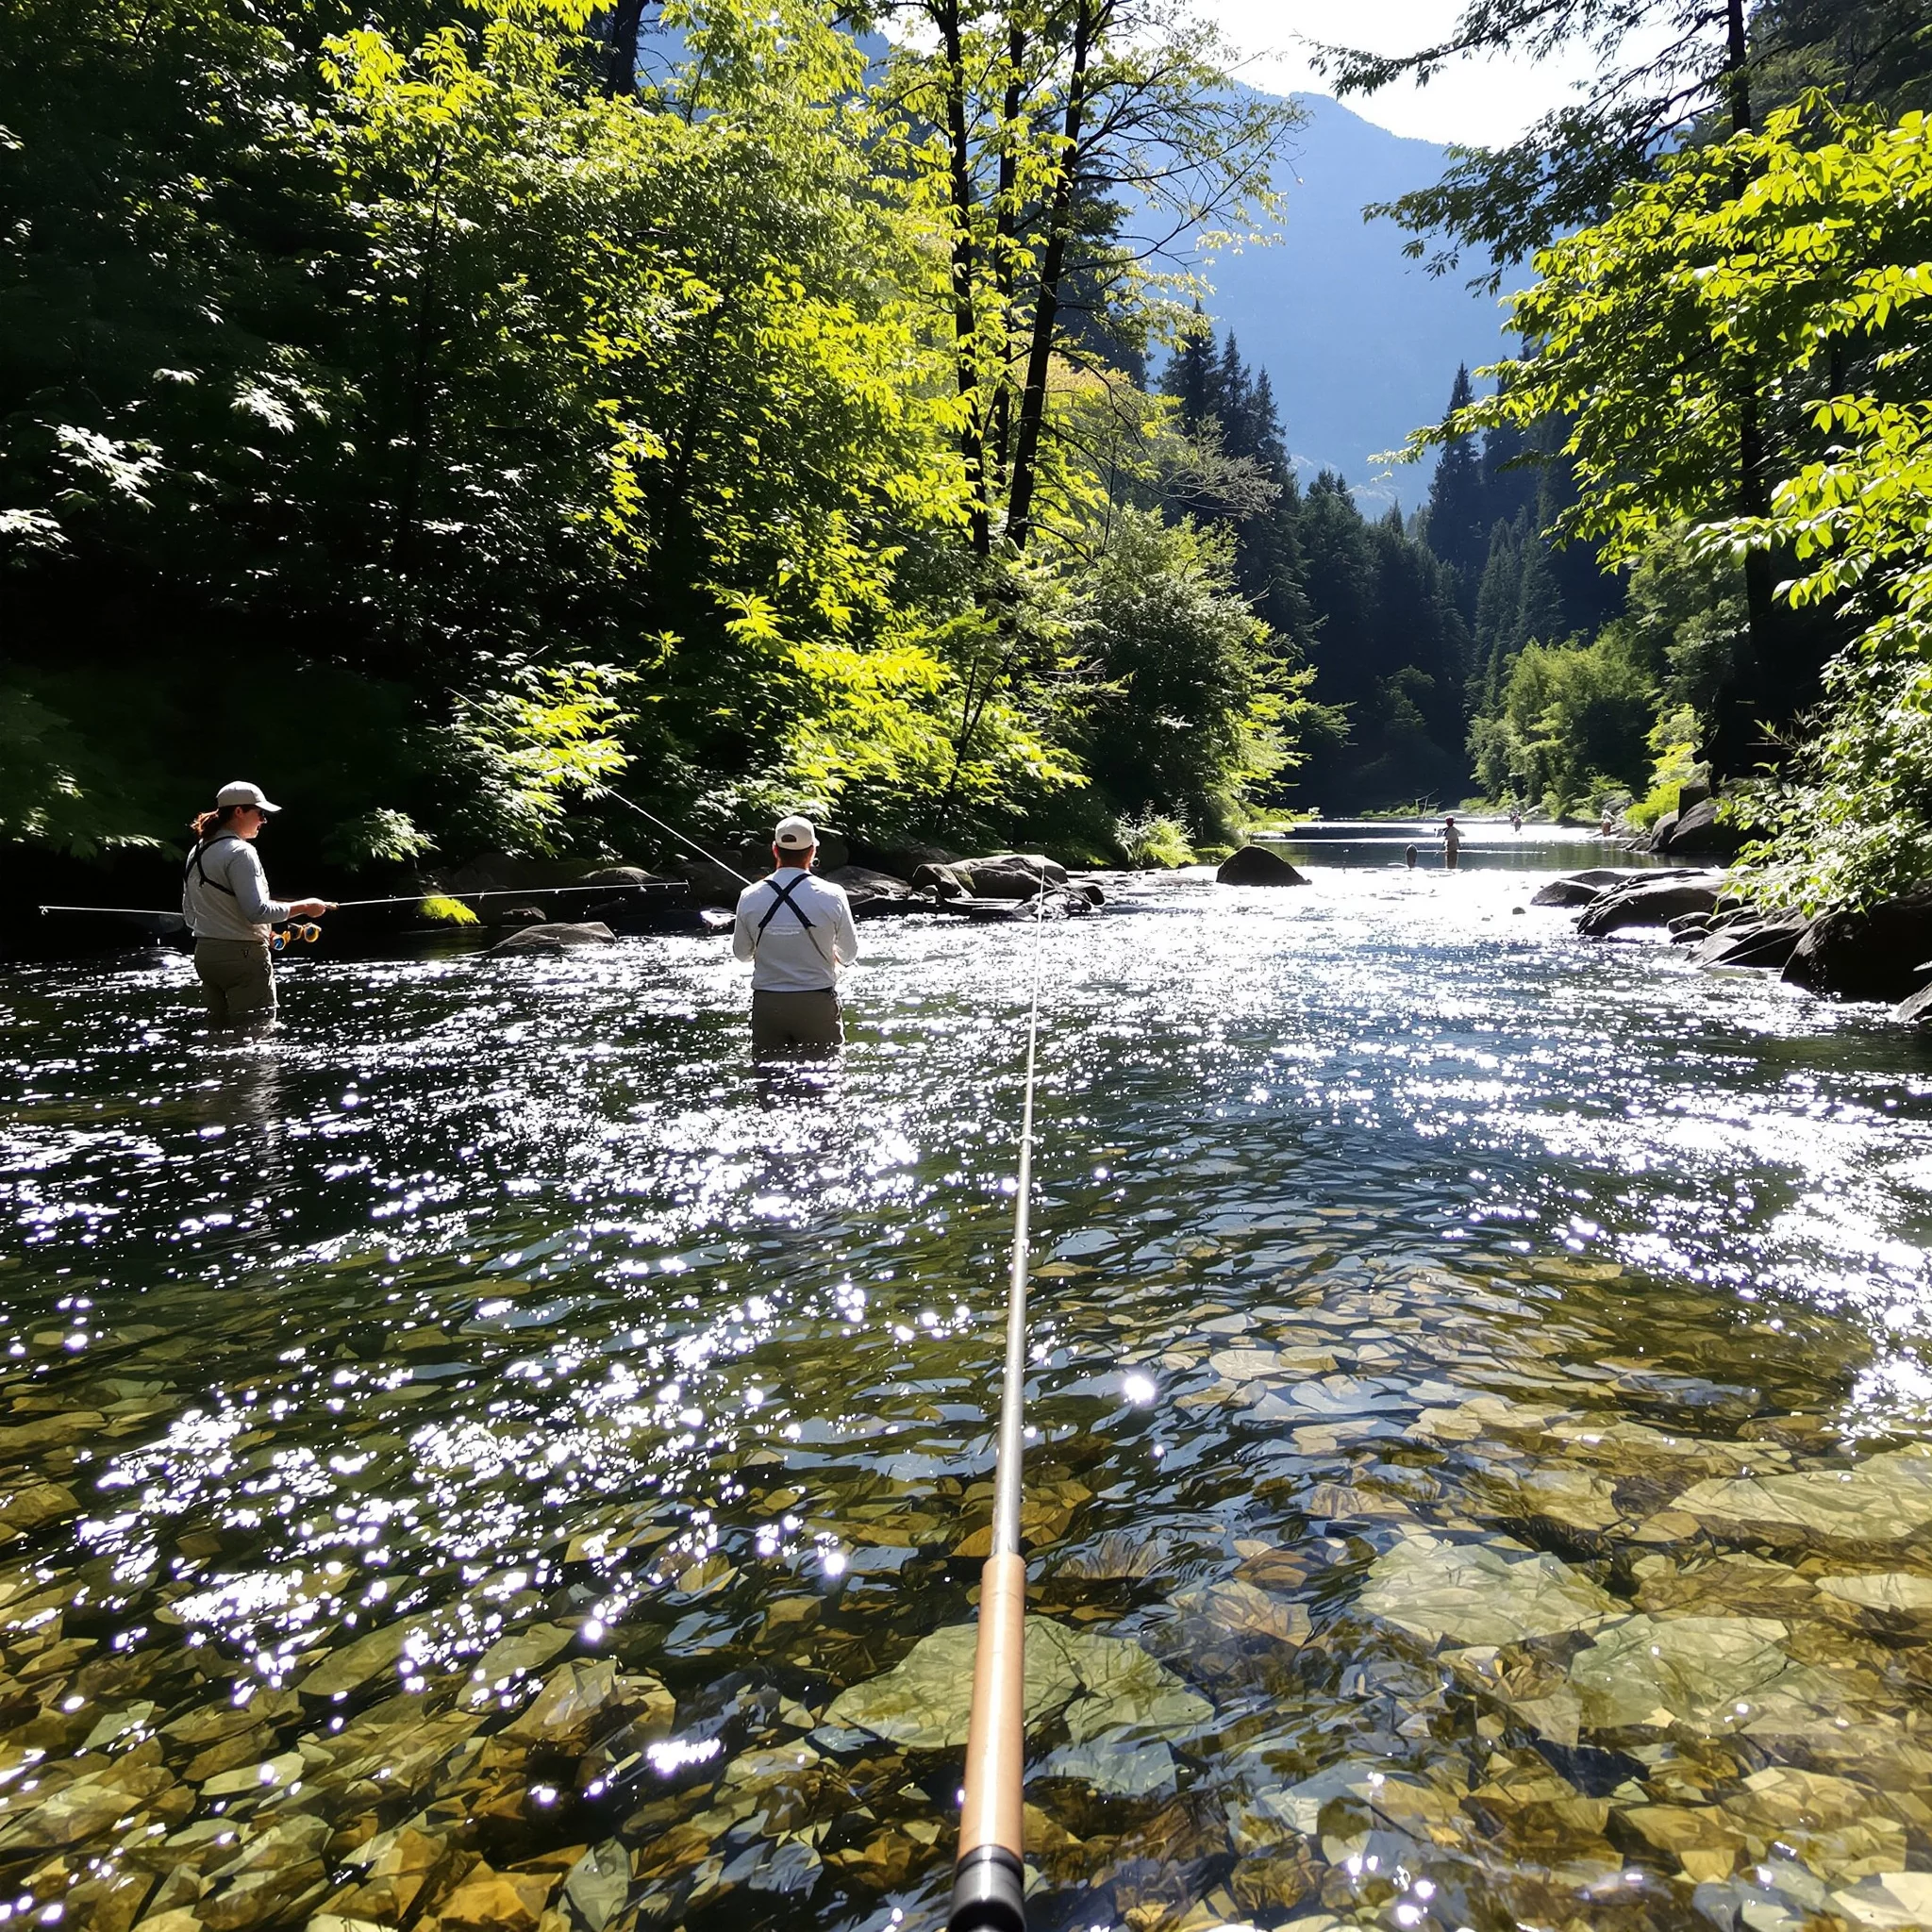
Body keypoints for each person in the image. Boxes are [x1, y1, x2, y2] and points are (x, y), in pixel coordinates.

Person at [181, 781, 333, 1026]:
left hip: (205, 956)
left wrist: (263, 931)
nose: (264, 820)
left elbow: (189, 913)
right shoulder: (241, 852)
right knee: (256, 1033)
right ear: (239, 811)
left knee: (218, 1034)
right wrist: (306, 907)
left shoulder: (197, 850)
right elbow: (257, 911)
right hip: (243, 958)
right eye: (260, 813)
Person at [732, 815, 859, 1056]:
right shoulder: (834, 894)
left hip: (767, 1006)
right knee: (825, 1081)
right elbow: (849, 954)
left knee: (767, 1082)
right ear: (812, 851)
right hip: (817, 1002)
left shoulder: (749, 895)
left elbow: (741, 955)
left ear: (774, 850)